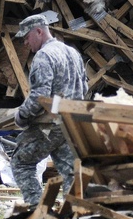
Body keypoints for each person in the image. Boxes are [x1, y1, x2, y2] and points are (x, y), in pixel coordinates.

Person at [12, 14, 88, 205]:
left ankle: (38, 210)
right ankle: (74, 216)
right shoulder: (72, 53)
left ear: (39, 31)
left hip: (50, 125)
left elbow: (40, 96)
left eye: (27, 37)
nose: (25, 43)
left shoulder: (44, 56)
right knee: (70, 171)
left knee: (21, 162)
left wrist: (22, 115)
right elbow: (84, 88)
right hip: (73, 124)